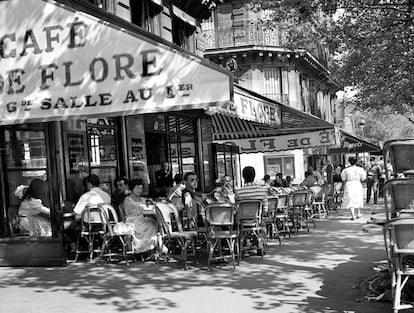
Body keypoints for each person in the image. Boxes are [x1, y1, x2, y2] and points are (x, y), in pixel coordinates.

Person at [120, 178, 158, 254]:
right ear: (132, 188)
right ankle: (145, 248)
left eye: (141, 188)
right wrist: (141, 210)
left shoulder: (143, 199)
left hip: (143, 219)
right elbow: (128, 213)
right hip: (133, 221)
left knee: (155, 223)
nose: (139, 190)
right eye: (137, 188)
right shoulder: (128, 200)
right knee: (151, 224)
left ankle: (153, 247)